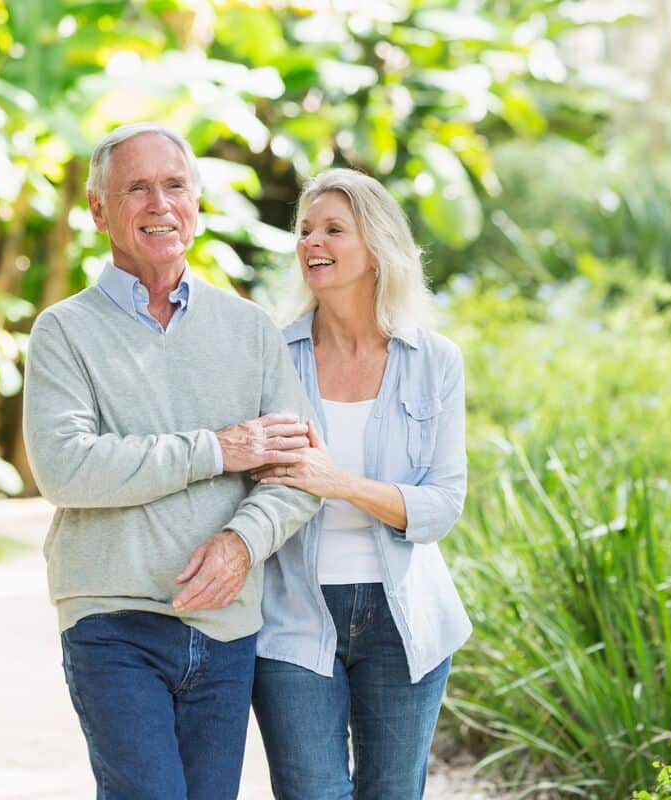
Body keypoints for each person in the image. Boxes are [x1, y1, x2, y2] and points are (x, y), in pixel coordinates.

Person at [22, 122, 321, 800]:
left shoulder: (249, 330)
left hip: (226, 625)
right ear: (100, 210)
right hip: (112, 619)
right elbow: (68, 467)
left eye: (175, 186)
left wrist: (243, 545)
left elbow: (295, 472)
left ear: (196, 201)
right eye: (137, 189)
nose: (160, 204)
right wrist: (219, 448)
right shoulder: (65, 332)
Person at [248, 168, 471, 800]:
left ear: (375, 248)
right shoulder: (272, 353)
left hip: (404, 619)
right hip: (293, 612)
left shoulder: (433, 360)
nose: (312, 241)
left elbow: (441, 506)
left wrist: (338, 482)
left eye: (333, 229)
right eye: (305, 229)